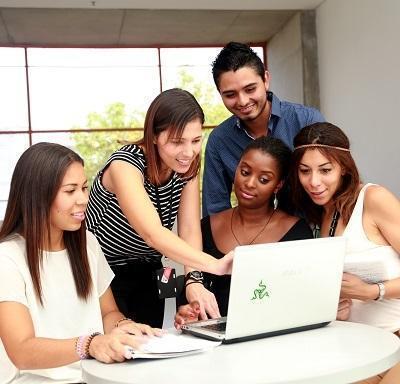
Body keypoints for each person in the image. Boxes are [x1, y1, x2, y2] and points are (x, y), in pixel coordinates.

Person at [0, 143, 162, 384]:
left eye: (84, 188)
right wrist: (90, 344)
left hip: (94, 377)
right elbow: (22, 351)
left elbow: (108, 312)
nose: (83, 199)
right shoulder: (7, 258)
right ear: (37, 195)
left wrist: (125, 327)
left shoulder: (87, 242)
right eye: (70, 191)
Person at [86, 88, 233, 328]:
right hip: (103, 271)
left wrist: (194, 280)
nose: (188, 152)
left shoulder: (186, 165)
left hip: (149, 267)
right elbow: (151, 233)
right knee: (117, 347)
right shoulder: (125, 164)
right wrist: (213, 264)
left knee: (155, 339)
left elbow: (188, 228)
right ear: (153, 135)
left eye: (196, 141)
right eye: (177, 142)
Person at [290, 122, 400, 384]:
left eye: (325, 170)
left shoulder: (373, 198)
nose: (314, 182)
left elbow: (368, 292)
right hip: (358, 346)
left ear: (344, 168)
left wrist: (374, 291)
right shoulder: (319, 215)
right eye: (305, 171)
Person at [175, 136, 313, 325]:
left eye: (263, 179)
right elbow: (191, 294)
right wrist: (187, 312)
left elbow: (303, 299)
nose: (249, 183)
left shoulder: (297, 232)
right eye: (245, 172)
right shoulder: (205, 228)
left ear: (278, 185)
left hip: (274, 340)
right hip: (214, 344)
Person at [202, 41, 325, 217]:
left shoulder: (306, 121)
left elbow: (335, 183)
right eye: (230, 94)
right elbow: (214, 210)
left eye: (250, 89)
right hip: (250, 239)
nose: (243, 101)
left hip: (314, 232)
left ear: (266, 80)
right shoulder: (220, 140)